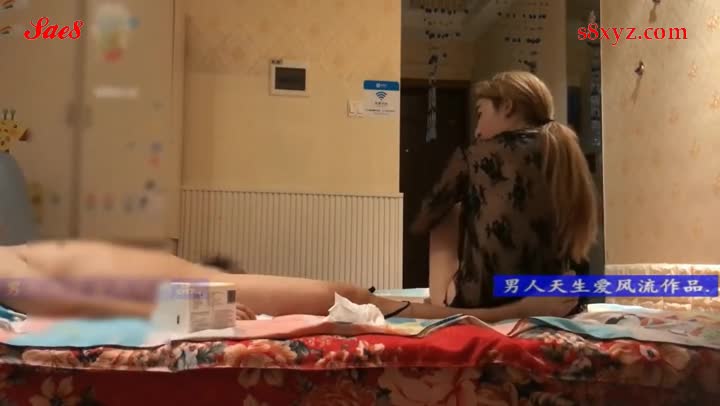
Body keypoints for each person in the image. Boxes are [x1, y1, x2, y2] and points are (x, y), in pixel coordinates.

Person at [0, 239, 577, 321]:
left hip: (185, 281)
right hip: (175, 294)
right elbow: (51, 302)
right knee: (345, 297)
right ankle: (501, 315)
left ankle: (500, 311)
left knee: (351, 293)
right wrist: (187, 310)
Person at [412, 71, 598, 312]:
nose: (477, 130)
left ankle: (441, 306)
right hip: (560, 298)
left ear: (507, 107)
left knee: (446, 211)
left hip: (487, 299)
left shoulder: (475, 154)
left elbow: (425, 217)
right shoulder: (564, 152)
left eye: (480, 114)